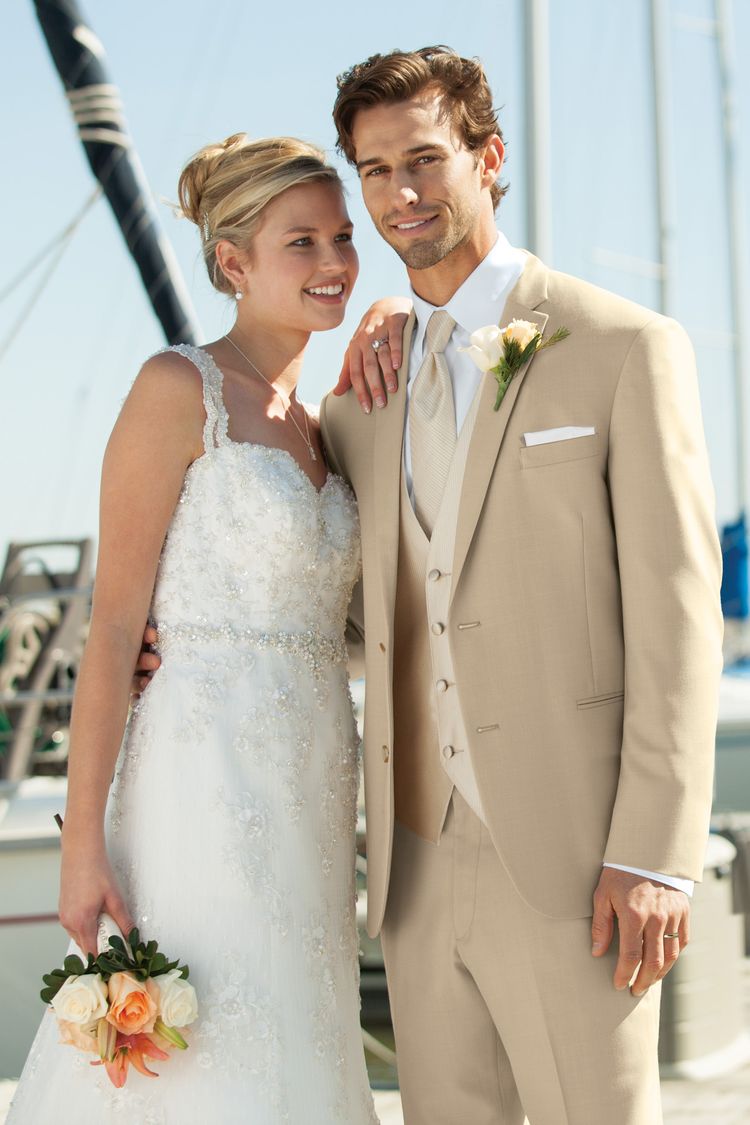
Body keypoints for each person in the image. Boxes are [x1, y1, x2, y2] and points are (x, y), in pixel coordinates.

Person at [317, 46, 723, 1125]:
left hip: (582, 859)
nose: (401, 194)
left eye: (425, 160)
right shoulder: (362, 398)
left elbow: (679, 619)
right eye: (373, 171)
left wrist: (654, 857)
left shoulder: (623, 347)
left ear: (489, 158)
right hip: (414, 864)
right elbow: (358, 614)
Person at [8, 134, 380, 1125]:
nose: (337, 261)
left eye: (343, 236)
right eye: (301, 241)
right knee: (204, 1037)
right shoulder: (178, 392)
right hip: (196, 777)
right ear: (233, 262)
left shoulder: (324, 424)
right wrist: (80, 842)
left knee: (296, 1023)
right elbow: (112, 626)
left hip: (311, 776)